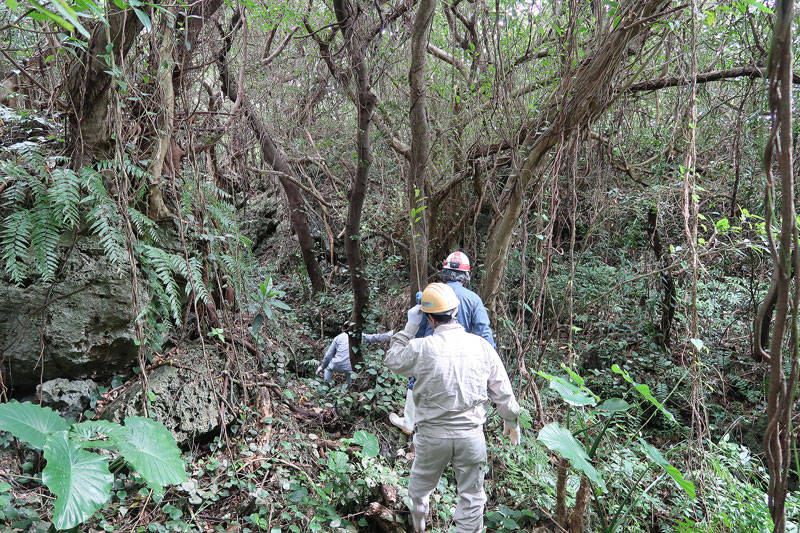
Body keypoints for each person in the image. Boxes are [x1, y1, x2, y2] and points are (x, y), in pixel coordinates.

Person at [384, 282, 521, 533]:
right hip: (471, 437)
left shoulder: (421, 347)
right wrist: (510, 420)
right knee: (472, 498)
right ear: (455, 311)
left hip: (432, 438)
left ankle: (419, 527)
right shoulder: (481, 346)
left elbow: (392, 359)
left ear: (429, 318)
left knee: (419, 492)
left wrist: (410, 326)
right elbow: (503, 390)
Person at [390, 251, 495, 433]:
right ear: (466, 276)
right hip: (465, 357)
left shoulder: (430, 295)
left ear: (444, 273)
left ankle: (409, 421)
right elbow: (484, 334)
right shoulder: (474, 300)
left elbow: (421, 328)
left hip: (432, 351)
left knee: (418, 378)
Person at [315, 321, 392, 388]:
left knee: (328, 368)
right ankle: (348, 390)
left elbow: (329, 355)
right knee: (350, 375)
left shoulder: (338, 337)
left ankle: (327, 385)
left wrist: (322, 366)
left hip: (337, 364)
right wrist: (389, 334)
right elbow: (374, 337)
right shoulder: (360, 336)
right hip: (352, 367)